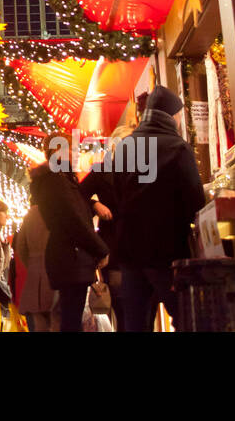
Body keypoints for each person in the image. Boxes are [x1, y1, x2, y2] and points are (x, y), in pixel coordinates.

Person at [108, 86, 206, 332]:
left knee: (135, 321)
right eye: (178, 115)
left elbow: (116, 194)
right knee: (184, 314)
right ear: (170, 115)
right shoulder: (178, 147)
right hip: (166, 248)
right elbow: (195, 199)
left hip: (130, 248)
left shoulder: (125, 146)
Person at [29, 132, 108, 332]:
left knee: (71, 318)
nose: (77, 154)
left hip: (70, 258)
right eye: (73, 150)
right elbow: (73, 220)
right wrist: (101, 249)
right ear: (58, 151)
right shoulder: (56, 181)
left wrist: (93, 203)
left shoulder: (60, 179)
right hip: (71, 258)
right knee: (71, 320)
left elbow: (74, 206)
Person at [81, 124, 132, 330]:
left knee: (143, 302)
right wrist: (95, 204)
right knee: (120, 302)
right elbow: (78, 197)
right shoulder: (101, 170)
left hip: (142, 244)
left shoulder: (143, 168)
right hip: (115, 245)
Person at [13, 203, 56, 332]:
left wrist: (33, 264)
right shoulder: (62, 207)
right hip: (58, 276)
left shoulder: (31, 214)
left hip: (35, 278)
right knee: (59, 320)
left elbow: (21, 246)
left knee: (38, 322)